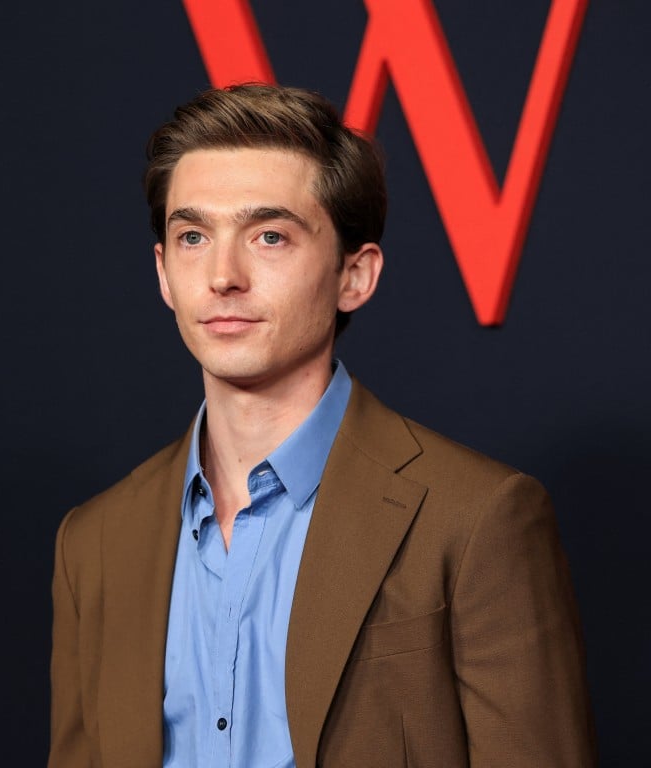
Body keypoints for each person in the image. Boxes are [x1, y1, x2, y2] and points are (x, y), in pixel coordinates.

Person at [48, 84, 596, 767]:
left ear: (355, 276)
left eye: (269, 236)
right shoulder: (96, 540)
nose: (223, 275)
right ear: (164, 274)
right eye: (193, 236)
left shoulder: (478, 517)